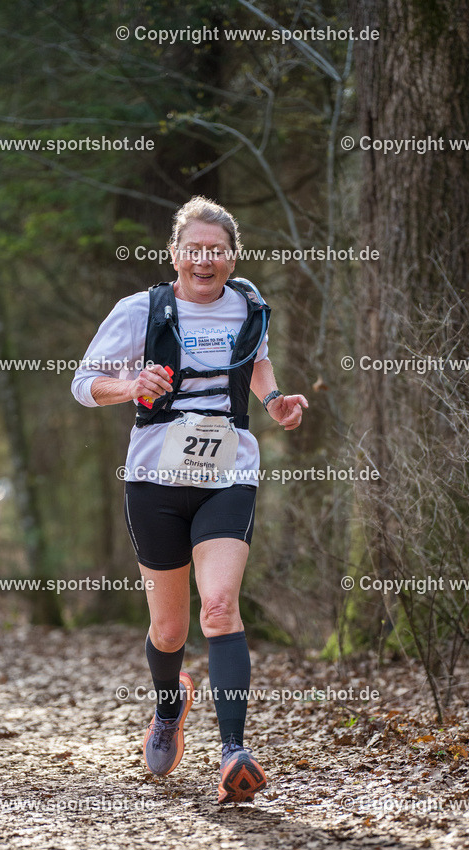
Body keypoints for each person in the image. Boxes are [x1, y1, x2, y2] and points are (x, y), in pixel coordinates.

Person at [71, 196, 307, 803]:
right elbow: (83, 383)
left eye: (217, 250)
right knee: (170, 627)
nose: (205, 260)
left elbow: (256, 360)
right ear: (175, 254)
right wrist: (131, 384)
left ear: (232, 257)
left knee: (220, 607)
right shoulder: (140, 311)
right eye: (194, 250)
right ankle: (170, 707)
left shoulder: (250, 306)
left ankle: (234, 753)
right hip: (154, 479)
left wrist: (275, 399)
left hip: (228, 474)